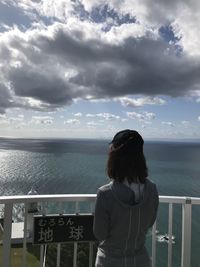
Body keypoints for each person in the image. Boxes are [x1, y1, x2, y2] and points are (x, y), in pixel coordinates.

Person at [93, 129, 159, 267]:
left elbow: (100, 233)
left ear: (114, 156)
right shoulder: (152, 189)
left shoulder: (105, 194)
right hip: (141, 261)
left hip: (109, 261)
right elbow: (150, 222)